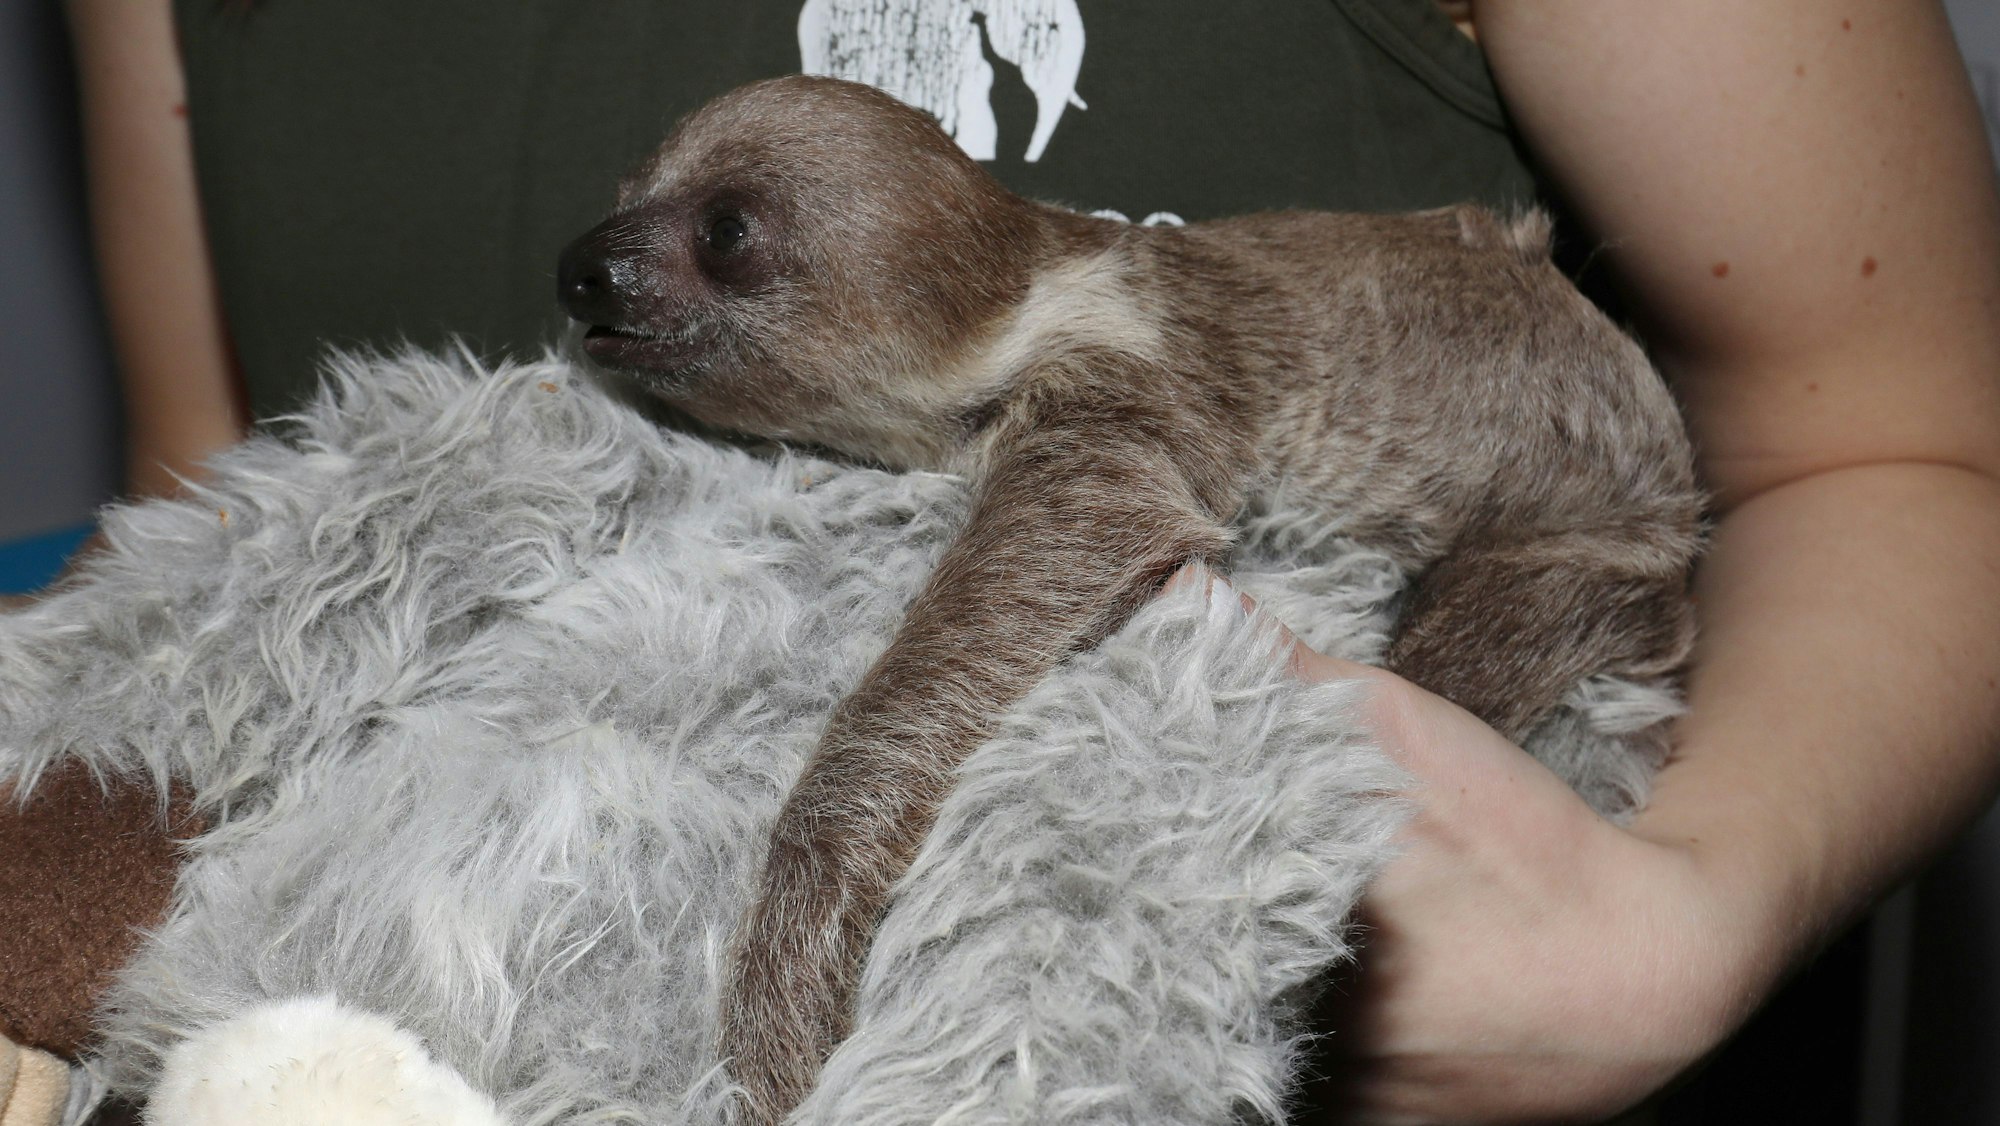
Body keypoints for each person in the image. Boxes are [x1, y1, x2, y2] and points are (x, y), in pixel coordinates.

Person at [58, 1, 2000, 1121]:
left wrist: (1671, 923)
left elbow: (1905, 438)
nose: (612, 276)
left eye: (718, 243)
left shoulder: (1092, 380)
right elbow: (227, 507)